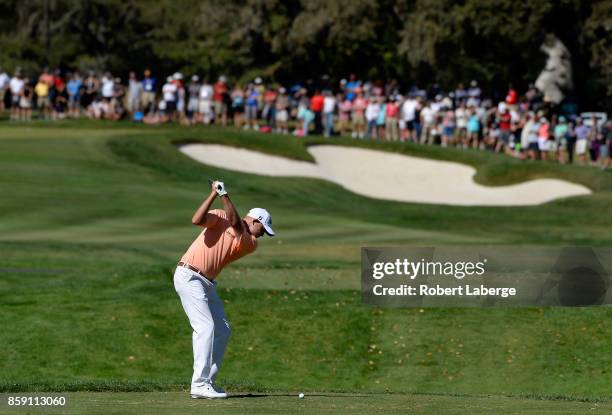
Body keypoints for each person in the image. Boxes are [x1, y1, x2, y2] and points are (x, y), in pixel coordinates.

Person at [174, 180, 274, 399]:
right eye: (263, 229)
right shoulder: (220, 214)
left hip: (206, 283)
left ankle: (206, 381)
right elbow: (196, 220)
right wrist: (213, 194)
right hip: (189, 275)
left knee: (223, 330)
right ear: (255, 221)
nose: (262, 235)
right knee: (206, 327)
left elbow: (236, 224)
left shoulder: (249, 242)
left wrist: (224, 194)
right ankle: (199, 384)